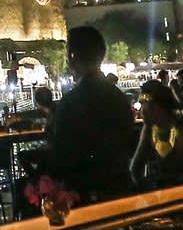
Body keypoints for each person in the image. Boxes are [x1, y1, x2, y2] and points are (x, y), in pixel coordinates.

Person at [46, 26, 137, 203]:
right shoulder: (119, 97)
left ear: (73, 57)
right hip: (120, 185)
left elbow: (62, 153)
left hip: (85, 192)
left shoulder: (71, 102)